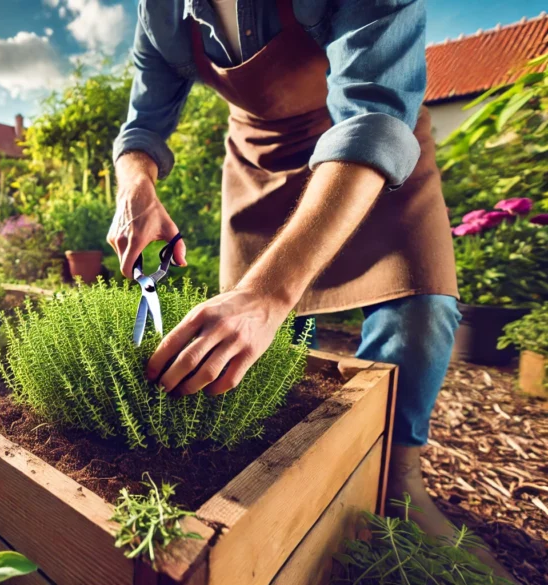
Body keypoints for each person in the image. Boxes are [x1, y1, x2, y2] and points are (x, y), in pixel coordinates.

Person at [108, 0, 510, 576]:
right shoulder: (164, 10)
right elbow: (143, 123)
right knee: (270, 353)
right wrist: (135, 186)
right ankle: (297, 479)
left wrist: (266, 294)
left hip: (371, 145)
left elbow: (373, 113)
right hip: (259, 161)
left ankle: (397, 481)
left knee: (417, 312)